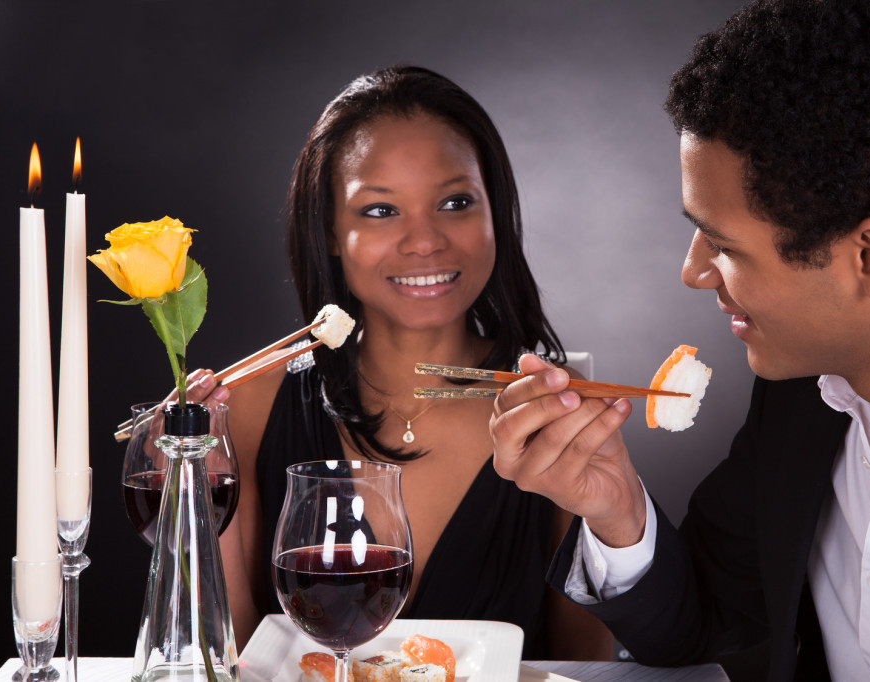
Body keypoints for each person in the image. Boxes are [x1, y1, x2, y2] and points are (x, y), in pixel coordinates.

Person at [488, 0, 870, 680]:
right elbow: (706, 624)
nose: (691, 271)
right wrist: (617, 511)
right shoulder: (801, 395)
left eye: (724, 244)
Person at [186, 65, 612, 658]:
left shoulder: (561, 406)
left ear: (497, 212)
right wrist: (195, 493)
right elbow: (232, 655)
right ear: (331, 230)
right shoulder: (252, 403)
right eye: (380, 211)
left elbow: (584, 668)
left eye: (456, 202)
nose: (424, 241)